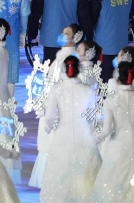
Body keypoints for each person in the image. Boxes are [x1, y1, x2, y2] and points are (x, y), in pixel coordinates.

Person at [39, 56, 102, 202]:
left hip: (63, 132)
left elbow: (50, 115)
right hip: (83, 133)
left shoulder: (57, 89)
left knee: (62, 167)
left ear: (63, 70)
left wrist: (48, 127)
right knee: (85, 168)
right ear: (79, 69)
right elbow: (92, 116)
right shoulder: (88, 90)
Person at [91, 61, 134, 203]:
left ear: (117, 78)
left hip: (118, 146)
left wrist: (92, 140)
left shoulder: (110, 100)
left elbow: (107, 130)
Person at [88, 0, 132, 80]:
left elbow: (92, 17)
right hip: (122, 42)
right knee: (120, 77)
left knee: (104, 78)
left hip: (104, 44)